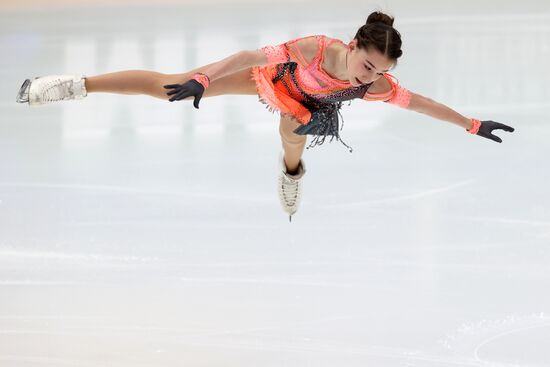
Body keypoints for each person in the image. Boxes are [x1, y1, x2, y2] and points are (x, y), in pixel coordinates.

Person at [15, 11, 515, 222]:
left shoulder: (373, 85)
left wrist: (471, 123)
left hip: (310, 109)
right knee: (168, 85)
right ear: (354, 44)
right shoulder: (313, 49)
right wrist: (204, 81)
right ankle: (77, 85)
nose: (368, 78)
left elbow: (423, 104)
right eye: (366, 65)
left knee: (293, 133)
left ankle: (291, 174)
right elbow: (250, 58)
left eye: (379, 72)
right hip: (275, 81)